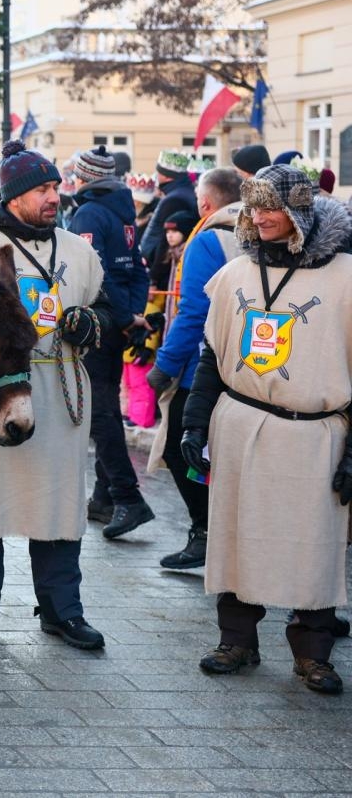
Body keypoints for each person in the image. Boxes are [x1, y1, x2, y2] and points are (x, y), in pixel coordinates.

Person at [0, 139, 113, 652]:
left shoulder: (79, 251)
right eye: (42, 189)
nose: (54, 196)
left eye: (56, 186)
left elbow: (109, 310)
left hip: (58, 389)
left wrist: (89, 322)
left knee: (58, 506)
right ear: (13, 196)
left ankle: (62, 610)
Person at [182, 164, 352, 694]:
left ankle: (313, 654)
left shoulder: (346, 277)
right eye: (253, 207)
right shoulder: (235, 274)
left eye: (271, 206)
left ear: (300, 211)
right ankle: (237, 640)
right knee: (237, 536)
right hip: (242, 423)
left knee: (315, 545)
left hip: (316, 432)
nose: (259, 217)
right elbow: (212, 356)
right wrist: (193, 421)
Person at [146, 168, 243, 569]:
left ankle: (206, 532)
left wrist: (164, 364)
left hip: (204, 365)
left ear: (205, 203)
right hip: (256, 366)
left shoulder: (208, 240)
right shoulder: (263, 233)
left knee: (181, 445)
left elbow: (194, 313)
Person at [68, 146, 154, 539]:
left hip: (99, 321)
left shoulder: (87, 211)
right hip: (117, 319)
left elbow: (91, 272)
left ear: (84, 176)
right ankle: (103, 497)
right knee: (105, 407)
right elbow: (137, 268)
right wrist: (133, 316)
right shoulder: (124, 211)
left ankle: (127, 496)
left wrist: (121, 318)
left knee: (100, 412)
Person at [139, 150, 197, 264]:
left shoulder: (174, 200)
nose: (156, 175)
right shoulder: (181, 193)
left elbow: (165, 240)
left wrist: (155, 274)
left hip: (163, 265)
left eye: (159, 172)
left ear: (167, 176)